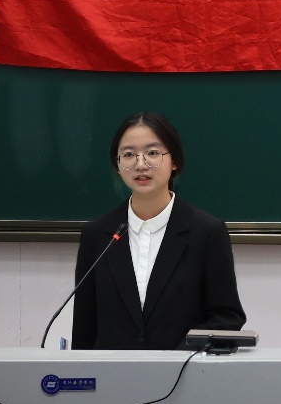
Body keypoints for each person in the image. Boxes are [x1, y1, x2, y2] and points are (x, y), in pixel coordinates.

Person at [71, 111, 246, 349]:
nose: (140, 164)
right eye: (128, 155)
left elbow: (227, 318)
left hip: (182, 370)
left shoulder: (207, 233)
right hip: (113, 372)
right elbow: (85, 329)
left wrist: (175, 359)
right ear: (118, 165)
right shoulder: (98, 235)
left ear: (174, 161)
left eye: (152, 153)